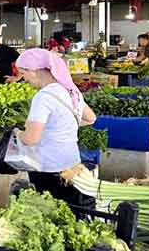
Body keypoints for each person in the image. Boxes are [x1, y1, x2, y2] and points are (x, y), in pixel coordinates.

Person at [14, 48, 97, 208]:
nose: (24, 80)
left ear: (35, 70)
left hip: (49, 168)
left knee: (51, 214)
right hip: (73, 165)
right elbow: (90, 118)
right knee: (70, 213)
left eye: (23, 73)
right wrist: (59, 126)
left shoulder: (43, 97)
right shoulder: (72, 91)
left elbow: (31, 139)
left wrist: (17, 133)